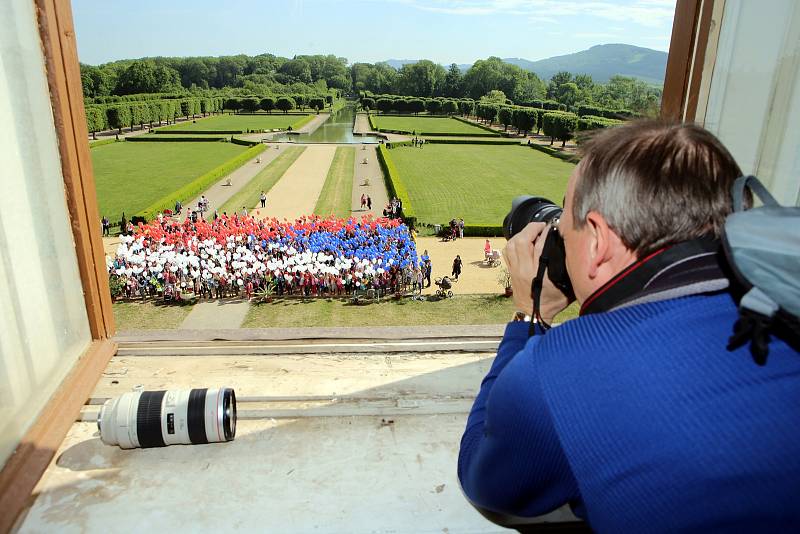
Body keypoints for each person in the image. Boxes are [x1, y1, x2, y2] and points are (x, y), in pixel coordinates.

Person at [457, 121, 800, 532]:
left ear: (598, 240)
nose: (560, 242)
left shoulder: (555, 374)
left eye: (564, 231)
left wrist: (531, 316)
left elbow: (486, 483)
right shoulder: (782, 299)